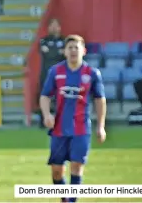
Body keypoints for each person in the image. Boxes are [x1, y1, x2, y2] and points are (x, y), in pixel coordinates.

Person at [39, 35, 107, 203]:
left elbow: (100, 100)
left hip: (81, 129)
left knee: (76, 167)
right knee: (56, 171)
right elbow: (45, 96)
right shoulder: (55, 72)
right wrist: (47, 114)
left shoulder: (92, 73)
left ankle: (71, 201)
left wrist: (101, 126)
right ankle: (65, 199)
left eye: (77, 47)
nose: (73, 51)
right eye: (70, 48)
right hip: (59, 130)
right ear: (64, 51)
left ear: (83, 50)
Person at [37, 18, 66, 128]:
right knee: (44, 96)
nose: (54, 28)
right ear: (49, 28)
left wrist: (50, 51)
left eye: (56, 25)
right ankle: (43, 121)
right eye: (52, 25)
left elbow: (52, 54)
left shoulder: (65, 41)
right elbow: (49, 54)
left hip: (60, 74)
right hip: (45, 74)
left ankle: (60, 121)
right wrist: (58, 52)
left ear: (59, 27)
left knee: (61, 98)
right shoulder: (43, 41)